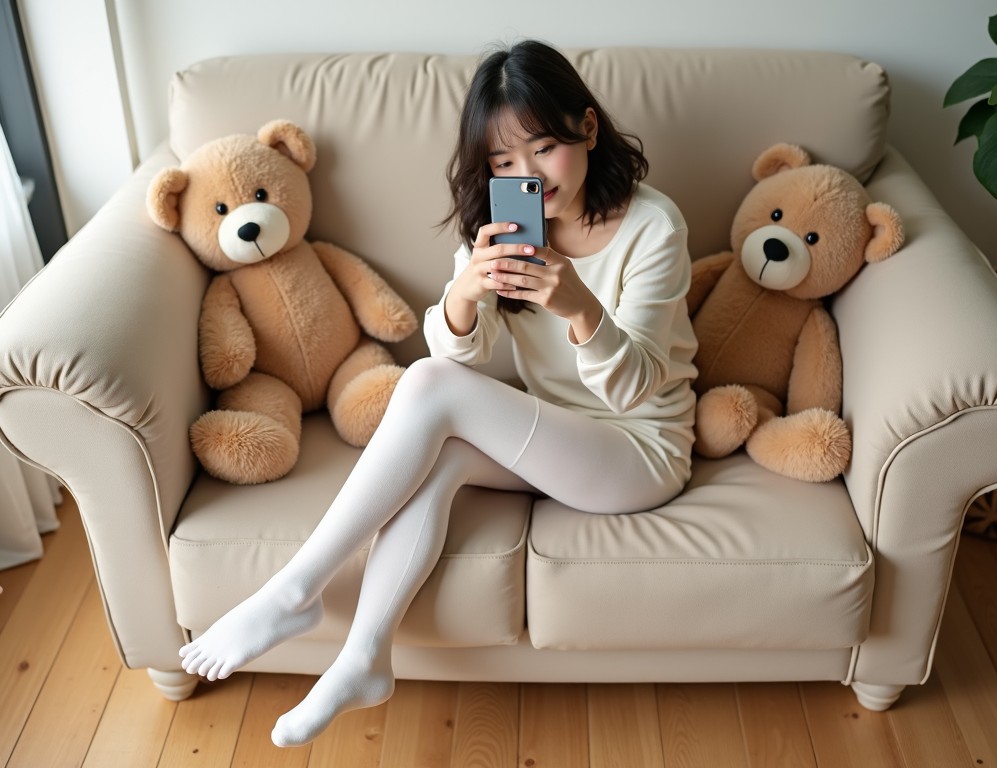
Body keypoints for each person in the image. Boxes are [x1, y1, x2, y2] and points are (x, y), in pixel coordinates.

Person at [178, 39, 698, 748]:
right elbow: (464, 354)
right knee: (441, 453)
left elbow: (636, 384)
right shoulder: (501, 226)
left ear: (588, 128)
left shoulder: (652, 225)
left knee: (428, 388)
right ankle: (365, 656)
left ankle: (292, 592)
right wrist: (463, 293)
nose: (528, 175)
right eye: (503, 162)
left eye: (544, 148)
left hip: (638, 450)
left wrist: (580, 311)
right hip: (554, 435)